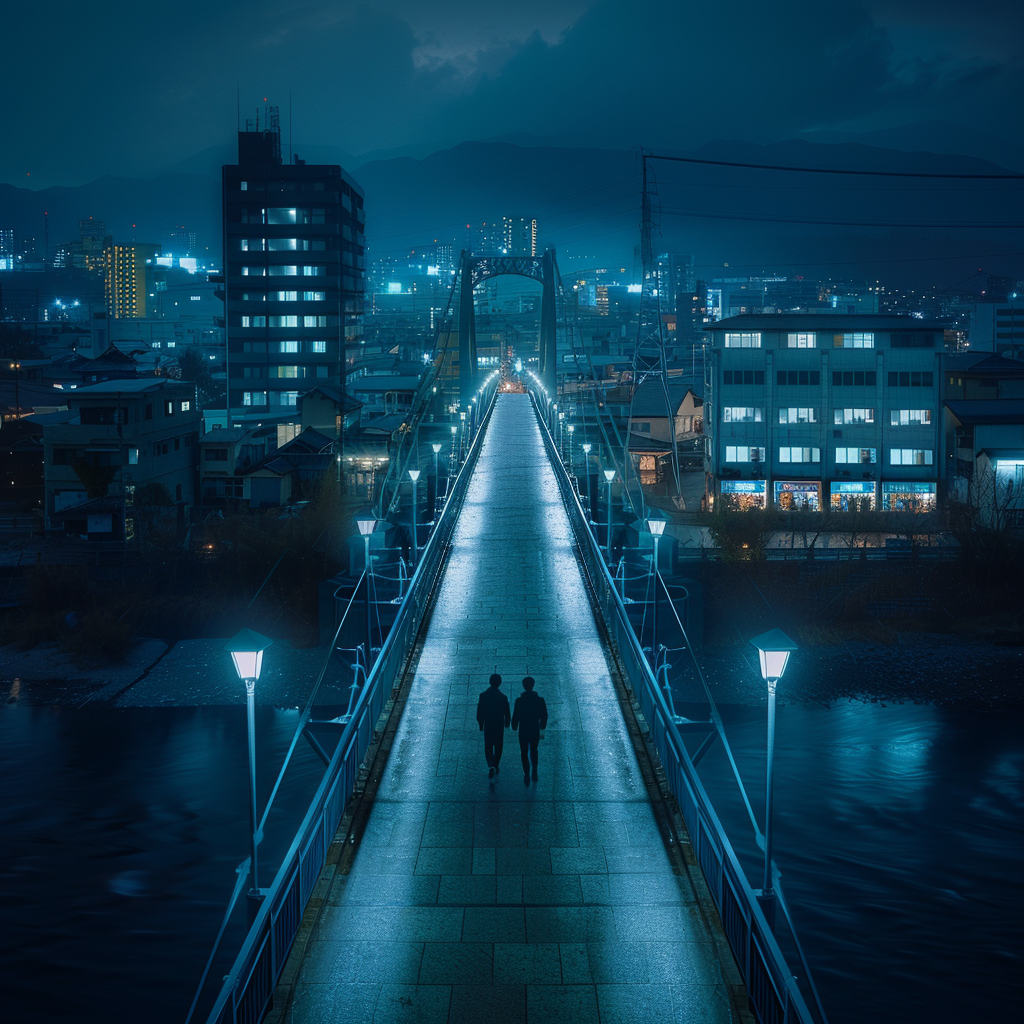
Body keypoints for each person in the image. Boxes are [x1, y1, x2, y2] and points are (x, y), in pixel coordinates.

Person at [511, 676, 548, 785]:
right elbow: (544, 716)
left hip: (523, 729)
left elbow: (516, 715)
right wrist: (542, 727)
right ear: (533, 685)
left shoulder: (519, 701)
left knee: (523, 752)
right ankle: (534, 770)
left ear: (523, 686)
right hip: (534, 728)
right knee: (534, 750)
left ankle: (526, 772)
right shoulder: (540, 700)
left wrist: (514, 725)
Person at [476, 673, 510, 779]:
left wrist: (481, 724)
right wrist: (507, 724)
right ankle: (495, 764)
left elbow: (479, 712)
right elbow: (507, 713)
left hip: (488, 724)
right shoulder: (503, 697)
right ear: (499, 683)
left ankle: (490, 764)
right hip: (498, 725)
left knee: (488, 745)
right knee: (499, 746)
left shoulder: (483, 696)